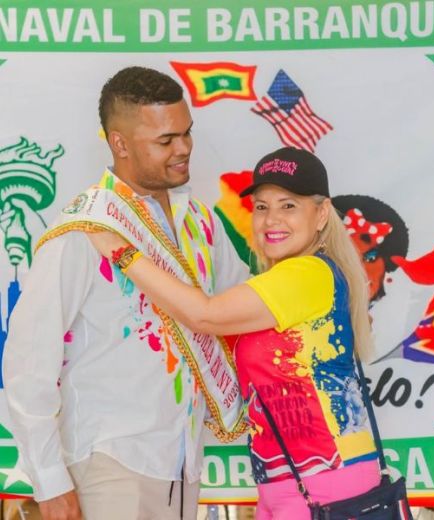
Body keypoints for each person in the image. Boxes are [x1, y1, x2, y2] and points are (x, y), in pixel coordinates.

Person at [2, 67, 249, 520]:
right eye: (166, 139)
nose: (185, 149)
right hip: (107, 462)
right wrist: (50, 480)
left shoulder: (202, 223)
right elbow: (26, 361)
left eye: (187, 133)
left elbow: (242, 311)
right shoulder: (84, 229)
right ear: (119, 144)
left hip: (182, 464)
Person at [86, 146, 383, 519]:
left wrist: (121, 251)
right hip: (288, 482)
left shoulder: (307, 274)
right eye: (262, 206)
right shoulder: (280, 281)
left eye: (288, 205)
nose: (271, 219)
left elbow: (204, 315)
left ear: (321, 213)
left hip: (325, 480)